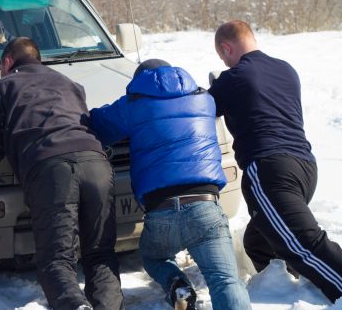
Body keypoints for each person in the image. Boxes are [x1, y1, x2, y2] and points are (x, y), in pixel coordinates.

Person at [89, 59, 251, 310]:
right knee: (226, 281)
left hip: (160, 209)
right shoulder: (205, 100)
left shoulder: (134, 104)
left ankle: (177, 283)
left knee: (153, 257)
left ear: (138, 82)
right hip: (205, 206)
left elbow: (98, 125)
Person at [209, 20, 342, 303]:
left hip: (269, 170)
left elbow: (197, 112)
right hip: (305, 167)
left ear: (226, 48)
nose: (224, 62)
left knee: (306, 243)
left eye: (222, 57)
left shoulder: (233, 79)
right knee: (259, 243)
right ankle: (290, 291)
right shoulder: (286, 69)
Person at [0, 37, 123, 310]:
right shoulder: (70, 84)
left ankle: (74, 306)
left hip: (50, 168)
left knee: (57, 260)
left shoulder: (4, 86)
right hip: (96, 162)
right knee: (100, 253)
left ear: (7, 62)